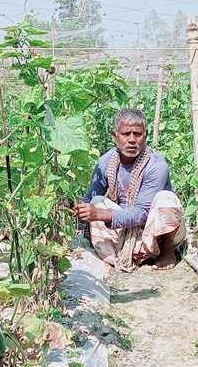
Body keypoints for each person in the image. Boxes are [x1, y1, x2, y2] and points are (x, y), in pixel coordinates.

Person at [74, 108, 186, 271]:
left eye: (137, 134)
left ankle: (167, 252)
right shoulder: (106, 162)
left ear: (145, 135)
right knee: (96, 201)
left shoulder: (156, 165)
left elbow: (142, 212)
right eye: (126, 134)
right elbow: (90, 198)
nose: (132, 140)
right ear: (115, 136)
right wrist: (78, 209)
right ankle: (126, 253)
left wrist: (100, 214)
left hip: (158, 230)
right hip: (125, 230)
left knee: (166, 199)